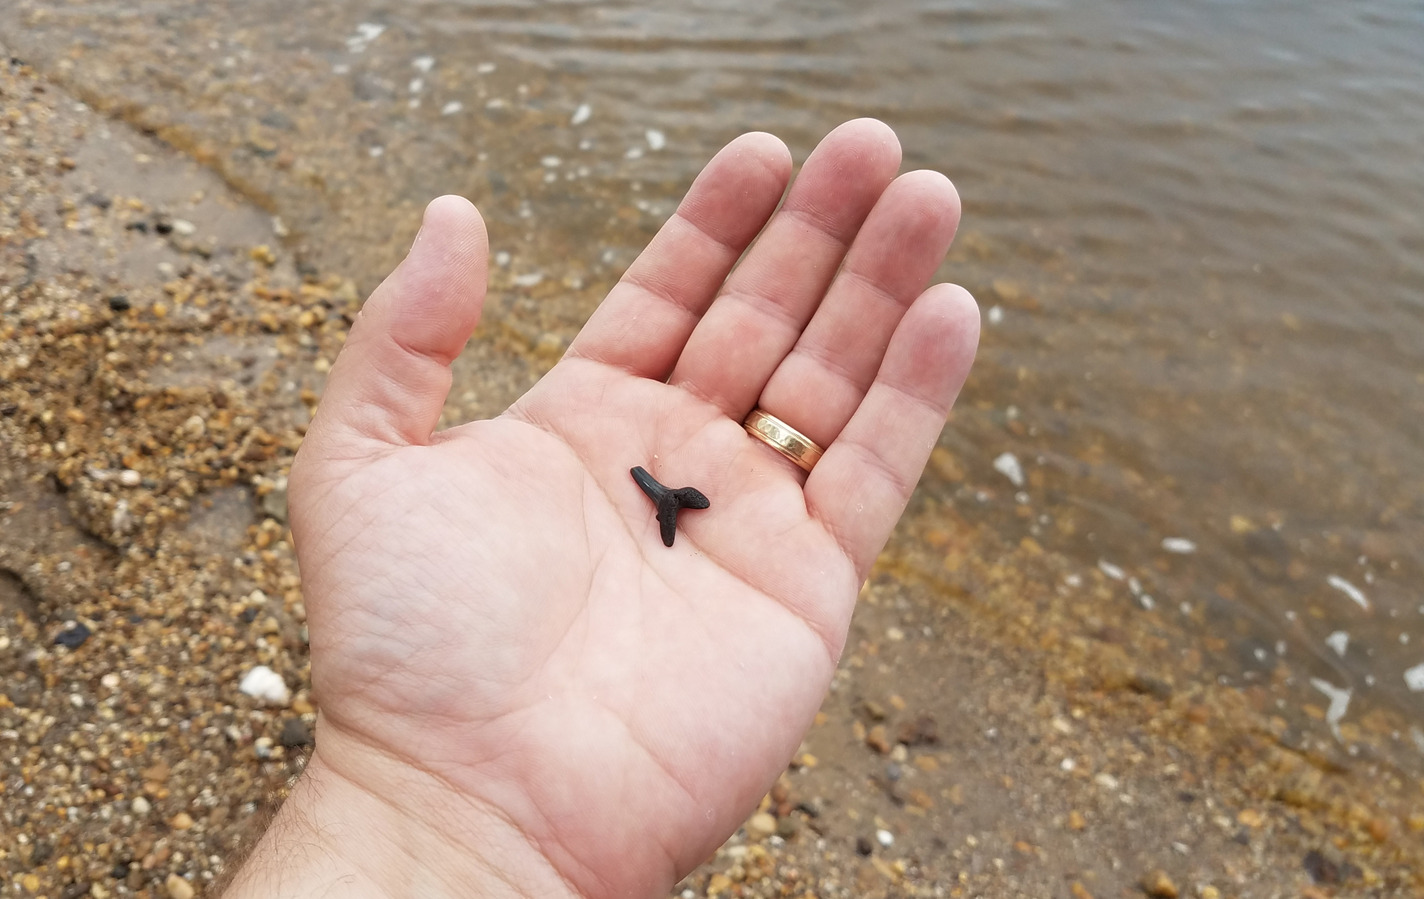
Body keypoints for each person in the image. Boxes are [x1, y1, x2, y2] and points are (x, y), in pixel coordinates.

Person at [220, 119, 979, 898]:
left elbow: (672, 498)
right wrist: (416, 785)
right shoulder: (665, 499)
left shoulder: (670, 501)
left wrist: (410, 802)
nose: (671, 502)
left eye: (671, 501)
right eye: (669, 499)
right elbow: (666, 496)